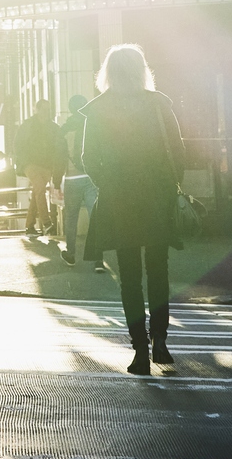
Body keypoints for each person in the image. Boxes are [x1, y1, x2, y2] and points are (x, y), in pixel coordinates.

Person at [78, 43, 185, 375]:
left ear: (108, 72)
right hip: (156, 197)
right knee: (158, 272)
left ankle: (139, 350)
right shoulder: (157, 104)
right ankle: (161, 344)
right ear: (142, 70)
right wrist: (170, 186)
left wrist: (108, 182)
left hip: (119, 200)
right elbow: (178, 151)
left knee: (129, 278)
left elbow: (86, 157)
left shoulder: (98, 109)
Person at [59, 93, 105, 271]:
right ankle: (98, 260)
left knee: (71, 218)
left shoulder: (65, 129)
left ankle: (70, 254)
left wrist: (56, 179)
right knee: (95, 217)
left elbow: (59, 156)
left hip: (72, 178)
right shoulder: (92, 125)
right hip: (90, 177)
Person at [14, 103, 68, 238]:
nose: (46, 112)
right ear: (36, 110)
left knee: (38, 191)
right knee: (39, 188)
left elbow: (58, 148)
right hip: (30, 164)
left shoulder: (53, 128)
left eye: (48, 109)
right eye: (43, 109)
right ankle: (47, 223)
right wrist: (24, 161)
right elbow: (17, 144)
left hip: (46, 166)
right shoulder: (28, 125)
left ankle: (29, 225)